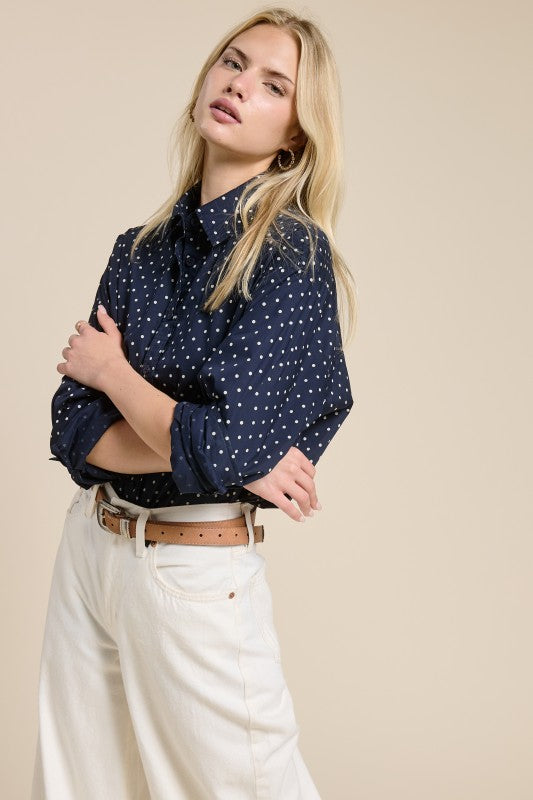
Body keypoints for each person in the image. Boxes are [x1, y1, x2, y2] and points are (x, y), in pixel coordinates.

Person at [31, 6, 357, 799]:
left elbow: (214, 446)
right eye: (232, 63)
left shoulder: (289, 256)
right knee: (77, 787)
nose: (239, 85)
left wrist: (115, 376)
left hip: (191, 566)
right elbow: (72, 430)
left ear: (295, 134)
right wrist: (214, 449)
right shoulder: (138, 249)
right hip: (90, 549)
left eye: (273, 85)